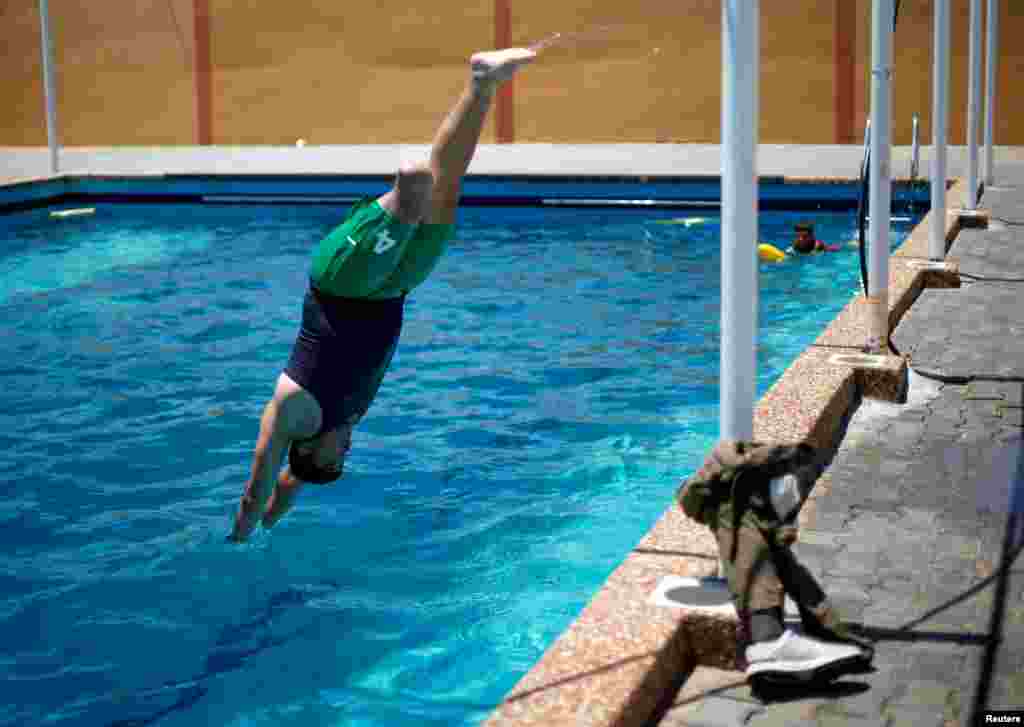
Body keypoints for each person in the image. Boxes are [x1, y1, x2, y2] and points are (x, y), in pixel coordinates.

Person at [228, 47, 537, 543]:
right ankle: (483, 83)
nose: (347, 450)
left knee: (417, 186)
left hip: (341, 282)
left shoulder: (291, 413)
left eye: (337, 457)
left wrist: (244, 530)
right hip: (394, 288)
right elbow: (292, 485)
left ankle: (400, 194)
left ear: (309, 449)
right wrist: (279, 512)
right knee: (445, 186)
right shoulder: (345, 418)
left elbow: (262, 484)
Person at [677, 440, 874, 686]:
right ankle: (768, 641)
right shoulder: (734, 474)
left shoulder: (776, 483)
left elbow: (789, 562)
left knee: (779, 557)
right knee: (751, 549)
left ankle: (818, 634)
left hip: (754, 493)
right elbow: (722, 465)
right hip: (729, 498)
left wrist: (830, 626)